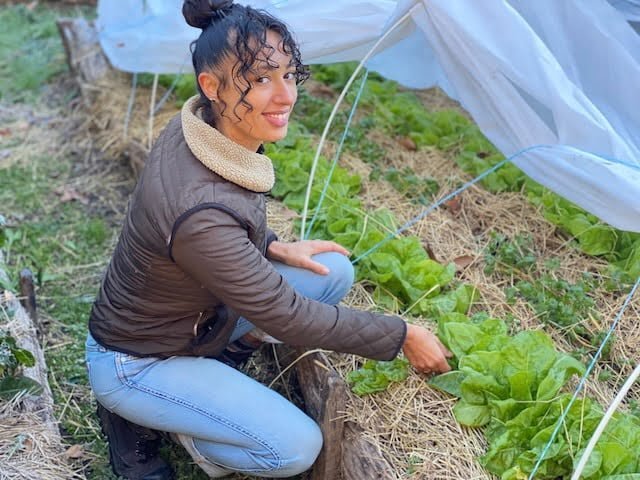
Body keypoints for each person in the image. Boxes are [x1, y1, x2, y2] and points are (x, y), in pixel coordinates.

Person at [85, 1, 452, 479]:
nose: (284, 96)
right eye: (259, 80)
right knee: (295, 447)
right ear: (211, 86)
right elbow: (285, 313)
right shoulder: (198, 211)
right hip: (138, 360)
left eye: (287, 75)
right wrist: (403, 336)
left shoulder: (197, 126)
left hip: (191, 321)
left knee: (331, 272)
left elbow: (227, 225)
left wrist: (273, 245)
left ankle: (214, 374)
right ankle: (172, 425)